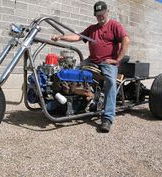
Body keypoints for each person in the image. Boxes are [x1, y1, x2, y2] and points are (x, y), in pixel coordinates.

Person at [51, 1, 130, 133]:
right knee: (73, 74)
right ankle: (71, 101)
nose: (100, 17)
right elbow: (77, 37)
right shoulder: (92, 28)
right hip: (91, 60)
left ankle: (108, 118)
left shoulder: (115, 25)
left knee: (111, 82)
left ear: (107, 12)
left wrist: (117, 60)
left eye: (102, 14)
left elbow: (126, 40)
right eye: (97, 15)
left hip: (107, 62)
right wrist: (60, 37)